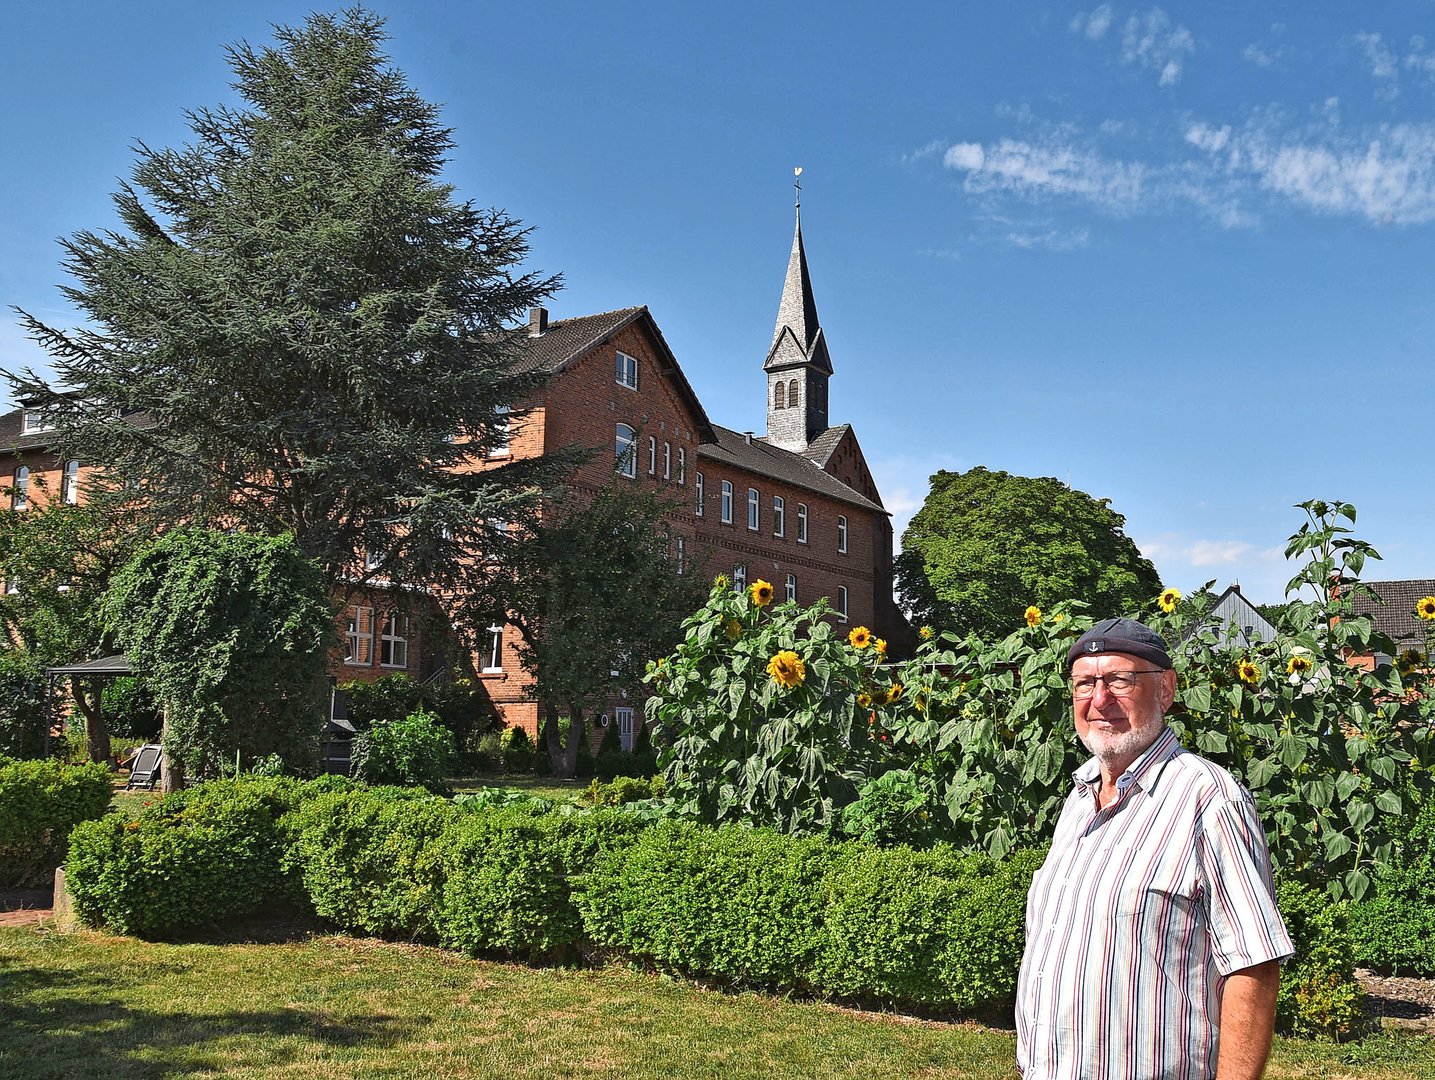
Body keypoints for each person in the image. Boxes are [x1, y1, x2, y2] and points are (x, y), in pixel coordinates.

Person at [1016, 617, 1293, 1080]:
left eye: (1119, 681)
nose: (1099, 700)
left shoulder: (1207, 798)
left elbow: (1254, 964)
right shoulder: (1079, 798)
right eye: (1085, 683)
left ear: (1165, 689)